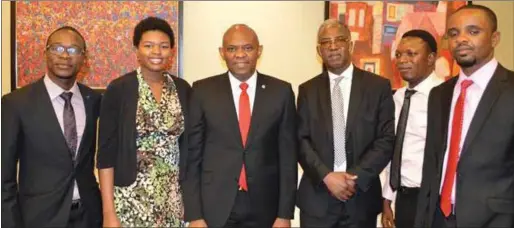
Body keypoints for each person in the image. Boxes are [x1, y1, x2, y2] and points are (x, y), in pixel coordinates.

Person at [182, 24, 297, 228]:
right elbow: (192, 157)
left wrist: (284, 214)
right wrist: (194, 215)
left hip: (265, 208)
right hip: (215, 207)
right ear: (222, 52)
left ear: (259, 50)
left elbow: (288, 158)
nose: (240, 54)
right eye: (232, 49)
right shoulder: (202, 91)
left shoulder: (281, 92)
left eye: (248, 48)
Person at [415, 4, 514, 228]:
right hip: (439, 219)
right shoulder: (439, 94)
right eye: (453, 33)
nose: (461, 39)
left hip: (496, 220)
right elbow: (431, 164)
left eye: (473, 31)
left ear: (495, 38)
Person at [296, 19, 395, 228]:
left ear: (350, 45)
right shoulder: (307, 91)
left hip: (361, 199)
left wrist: (353, 178)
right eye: (326, 42)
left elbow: (386, 140)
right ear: (319, 50)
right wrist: (327, 176)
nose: (332, 47)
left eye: (339, 40)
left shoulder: (378, 87)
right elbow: (300, 140)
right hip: (317, 200)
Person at [2, 26, 102, 228]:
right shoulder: (16, 103)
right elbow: (4, 176)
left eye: (73, 50)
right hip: (38, 218)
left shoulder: (93, 100)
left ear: (84, 58)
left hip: (89, 216)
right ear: (46, 52)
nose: (65, 56)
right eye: (57, 48)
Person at [96, 16, 191, 227]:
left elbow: (189, 148)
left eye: (163, 46)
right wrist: (108, 212)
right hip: (130, 199)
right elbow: (105, 154)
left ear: (171, 51)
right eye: (148, 46)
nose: (156, 52)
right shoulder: (119, 89)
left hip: (173, 198)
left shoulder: (183, 89)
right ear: (136, 50)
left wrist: (190, 201)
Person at [381, 30, 444, 228]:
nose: (402, 60)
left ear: (431, 58)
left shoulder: (445, 97)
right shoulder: (397, 98)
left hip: (435, 199)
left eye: (411, 53)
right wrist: (387, 199)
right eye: (398, 55)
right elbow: (395, 149)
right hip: (404, 198)